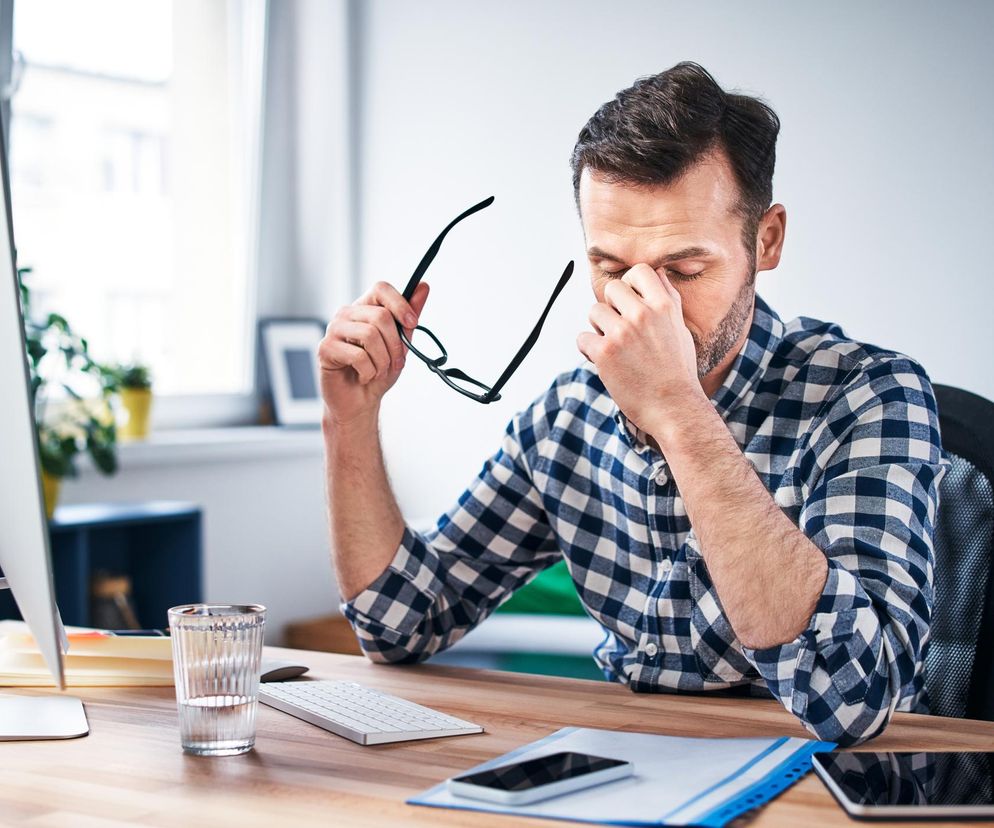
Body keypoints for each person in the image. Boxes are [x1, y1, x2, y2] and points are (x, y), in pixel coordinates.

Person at [317, 62, 946, 746]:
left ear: (765, 240)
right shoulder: (567, 420)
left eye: (684, 269)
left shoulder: (868, 396)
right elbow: (399, 622)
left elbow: (853, 698)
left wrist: (678, 410)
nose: (648, 306)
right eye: (612, 269)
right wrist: (350, 420)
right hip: (635, 761)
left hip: (820, 778)